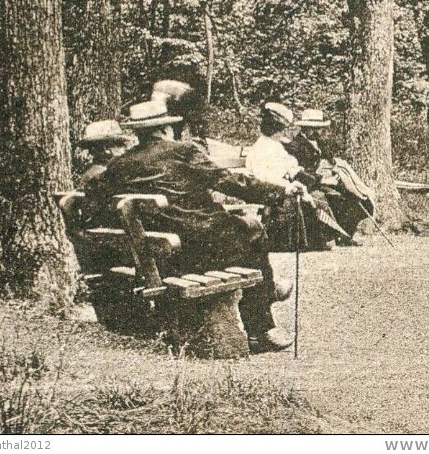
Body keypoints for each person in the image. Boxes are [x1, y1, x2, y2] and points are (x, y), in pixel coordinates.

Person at [85, 96, 296, 353]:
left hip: (160, 254)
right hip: (201, 247)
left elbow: (94, 195)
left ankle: (268, 288)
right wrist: (279, 192)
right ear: (164, 129)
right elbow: (228, 182)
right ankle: (261, 325)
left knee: (244, 231)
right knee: (252, 229)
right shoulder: (183, 150)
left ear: (138, 133)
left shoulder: (121, 164)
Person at [246, 103, 347, 251]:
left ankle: (318, 240)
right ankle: (299, 242)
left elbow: (291, 168)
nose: (285, 133)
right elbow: (268, 176)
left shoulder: (275, 145)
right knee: (307, 198)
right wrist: (292, 184)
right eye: (282, 130)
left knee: (311, 197)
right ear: (274, 130)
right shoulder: (265, 148)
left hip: (277, 184)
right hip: (266, 186)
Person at [288, 108, 369, 244]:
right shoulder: (294, 146)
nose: (316, 132)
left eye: (319, 128)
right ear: (303, 128)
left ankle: (345, 236)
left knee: (355, 197)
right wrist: (323, 179)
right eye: (311, 128)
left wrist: (336, 172)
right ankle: (329, 236)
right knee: (335, 199)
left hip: (324, 181)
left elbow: (331, 160)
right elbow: (298, 172)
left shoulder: (320, 143)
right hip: (307, 184)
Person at [76, 120, 129, 189]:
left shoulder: (123, 166)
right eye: (98, 147)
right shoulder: (92, 174)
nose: (107, 151)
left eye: (119, 144)